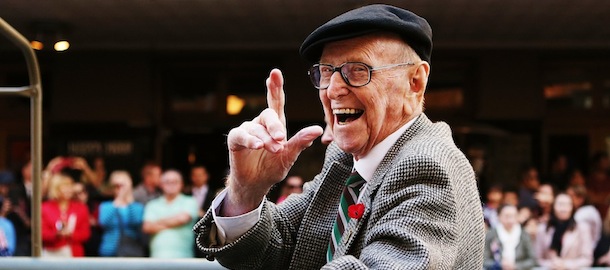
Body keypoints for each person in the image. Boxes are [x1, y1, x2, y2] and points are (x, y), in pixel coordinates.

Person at [193, 4, 485, 269]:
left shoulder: (427, 163)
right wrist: (245, 192)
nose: (332, 90)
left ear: (415, 82)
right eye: (326, 72)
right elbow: (278, 246)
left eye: (357, 71)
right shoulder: (345, 161)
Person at [143, 170, 198, 258]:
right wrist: (173, 221)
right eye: (167, 182)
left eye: (175, 182)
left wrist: (156, 222)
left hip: (183, 258)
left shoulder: (190, 201)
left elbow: (182, 219)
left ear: (181, 184)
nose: (171, 184)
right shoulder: (152, 204)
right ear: (161, 184)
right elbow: (147, 227)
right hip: (157, 258)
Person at [535, 192, 593, 269]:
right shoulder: (543, 228)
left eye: (567, 205)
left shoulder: (582, 228)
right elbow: (537, 259)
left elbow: (587, 259)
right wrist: (552, 264)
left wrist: (565, 264)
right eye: (560, 204)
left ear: (572, 207)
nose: (563, 209)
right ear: (553, 207)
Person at [41, 174, 91, 257]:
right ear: (56, 189)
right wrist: (56, 235)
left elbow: (85, 233)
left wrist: (70, 234)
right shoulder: (44, 208)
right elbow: (41, 233)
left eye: (70, 187)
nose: (69, 190)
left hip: (74, 253)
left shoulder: (81, 208)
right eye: (65, 187)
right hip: (51, 253)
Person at [98, 171, 144, 257]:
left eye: (122, 185)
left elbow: (136, 222)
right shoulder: (106, 206)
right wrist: (118, 201)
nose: (119, 189)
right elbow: (104, 222)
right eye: (116, 186)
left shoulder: (137, 207)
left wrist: (129, 201)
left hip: (131, 251)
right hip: (109, 251)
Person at [483, 204, 536, 270]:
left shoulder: (524, 234)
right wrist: (499, 264)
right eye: (507, 216)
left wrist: (516, 266)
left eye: (514, 216)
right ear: (499, 216)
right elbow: (484, 259)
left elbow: (533, 260)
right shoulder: (491, 234)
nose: (510, 220)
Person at [566, 184, 602, 250]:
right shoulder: (582, 211)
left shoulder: (586, 212)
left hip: (590, 251)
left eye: (571, 196)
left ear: (580, 199)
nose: (567, 199)